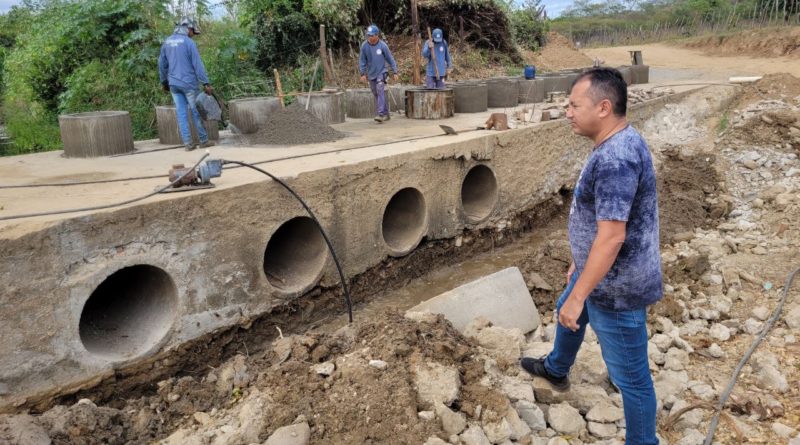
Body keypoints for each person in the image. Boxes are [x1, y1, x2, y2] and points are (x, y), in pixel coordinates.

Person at [520, 67, 662, 445]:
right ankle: (557, 369)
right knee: (566, 308)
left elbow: (612, 237)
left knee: (632, 379)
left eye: (574, 105)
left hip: (615, 289)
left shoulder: (616, 159)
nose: (567, 112)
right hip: (600, 271)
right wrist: (582, 262)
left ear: (603, 108)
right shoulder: (617, 142)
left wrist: (582, 292)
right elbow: (607, 227)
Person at [159, 16, 215, 151]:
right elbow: (198, 64)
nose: (193, 34)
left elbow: (161, 64)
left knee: (181, 114)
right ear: (188, 28)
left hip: (173, 85)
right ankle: (203, 140)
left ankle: (188, 144)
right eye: (193, 31)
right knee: (196, 112)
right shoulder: (188, 43)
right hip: (189, 84)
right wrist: (206, 82)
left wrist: (164, 82)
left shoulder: (166, 42)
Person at [359, 24, 399, 123]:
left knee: (380, 89)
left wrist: (395, 71)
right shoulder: (364, 46)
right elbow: (362, 60)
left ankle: (380, 114)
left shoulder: (382, 45)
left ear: (377, 35)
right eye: (368, 35)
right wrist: (362, 73)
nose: (370, 37)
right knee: (376, 93)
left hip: (382, 72)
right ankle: (386, 113)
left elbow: (390, 58)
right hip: (371, 73)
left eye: (372, 35)